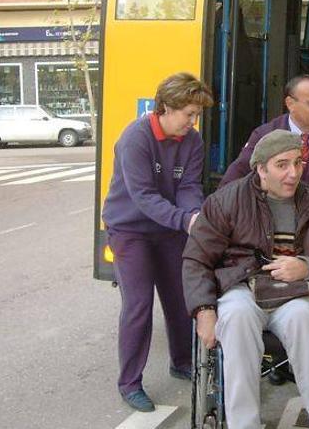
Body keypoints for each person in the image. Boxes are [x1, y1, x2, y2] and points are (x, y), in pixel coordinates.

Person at [184, 130, 309, 429]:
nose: (293, 173)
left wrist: (308, 267)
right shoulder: (226, 202)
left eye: (298, 163)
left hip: (295, 295)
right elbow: (196, 259)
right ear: (261, 168)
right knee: (236, 316)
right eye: (282, 165)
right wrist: (203, 310)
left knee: (304, 317)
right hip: (241, 289)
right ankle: (243, 424)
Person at [102, 72, 214, 412]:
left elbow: (189, 185)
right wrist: (185, 220)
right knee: (138, 305)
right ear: (166, 107)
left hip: (168, 230)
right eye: (189, 114)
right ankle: (130, 383)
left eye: (196, 115)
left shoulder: (192, 141)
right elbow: (143, 197)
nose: (193, 122)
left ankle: (182, 363)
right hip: (130, 229)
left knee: (181, 298)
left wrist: (192, 214)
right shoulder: (135, 139)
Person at [219, 75, 309, 204]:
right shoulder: (265, 133)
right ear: (290, 104)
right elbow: (240, 170)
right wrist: (220, 204)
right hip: (269, 215)